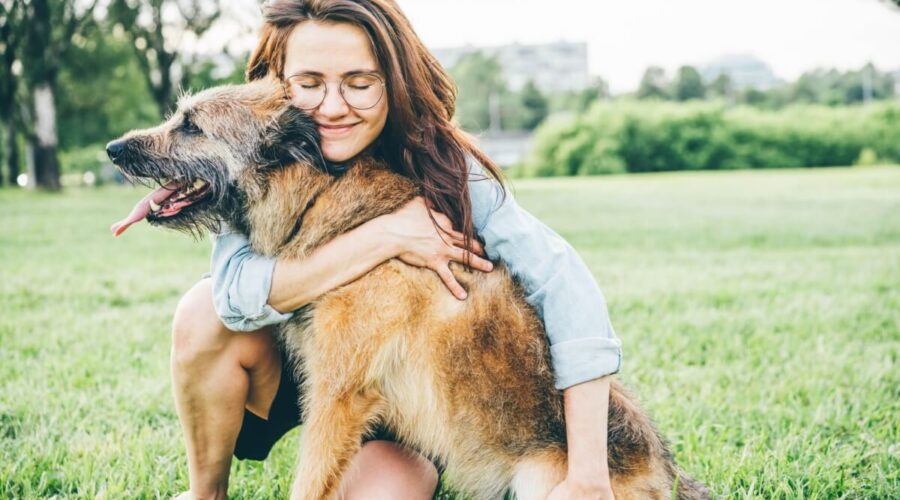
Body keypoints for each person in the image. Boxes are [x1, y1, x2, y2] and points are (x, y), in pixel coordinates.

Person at [171, 1, 621, 499]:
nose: (334, 106)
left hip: (407, 401)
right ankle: (204, 493)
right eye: (309, 83)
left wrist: (587, 474)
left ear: (394, 80)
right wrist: (386, 235)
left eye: (360, 83)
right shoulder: (252, 154)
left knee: (385, 492)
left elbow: (566, 286)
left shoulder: (446, 167)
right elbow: (234, 295)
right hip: (294, 367)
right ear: (278, 82)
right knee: (201, 311)